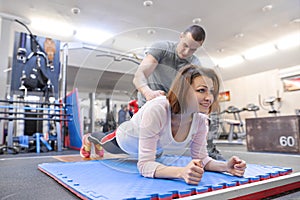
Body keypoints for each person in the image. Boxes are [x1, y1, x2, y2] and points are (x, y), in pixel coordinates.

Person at [80, 65, 246, 185]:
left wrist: (226, 167)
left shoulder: (201, 121)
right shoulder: (158, 109)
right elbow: (144, 166)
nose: (209, 98)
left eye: (212, 92)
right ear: (183, 90)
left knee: (155, 157)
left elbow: (201, 159)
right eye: (202, 90)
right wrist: (180, 172)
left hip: (154, 147)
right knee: (102, 140)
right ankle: (89, 138)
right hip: (127, 140)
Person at [132, 24, 225, 160]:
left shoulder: (194, 62)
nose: (187, 52)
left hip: (173, 102)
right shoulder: (162, 48)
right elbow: (139, 75)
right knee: (147, 147)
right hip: (151, 100)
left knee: (212, 110)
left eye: (193, 49)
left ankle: (209, 151)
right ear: (181, 36)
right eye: (185, 45)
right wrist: (148, 93)